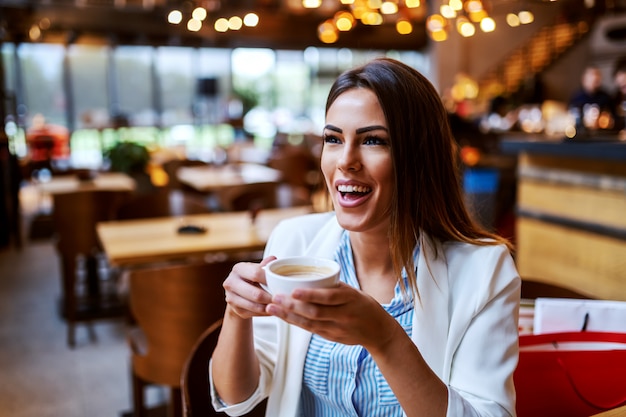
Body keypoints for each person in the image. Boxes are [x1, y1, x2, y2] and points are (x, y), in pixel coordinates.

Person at [210, 58, 520, 417]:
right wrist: (236, 314)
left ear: (419, 156)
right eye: (333, 139)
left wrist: (385, 339)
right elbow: (236, 399)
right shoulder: (293, 242)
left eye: (373, 140)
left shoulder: (484, 271)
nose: (346, 161)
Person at [568, 65, 617, 131]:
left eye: (597, 78)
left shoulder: (606, 98)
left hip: (602, 134)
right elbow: (570, 117)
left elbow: (614, 118)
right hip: (581, 135)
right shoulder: (576, 97)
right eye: (591, 76)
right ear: (584, 80)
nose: (594, 79)